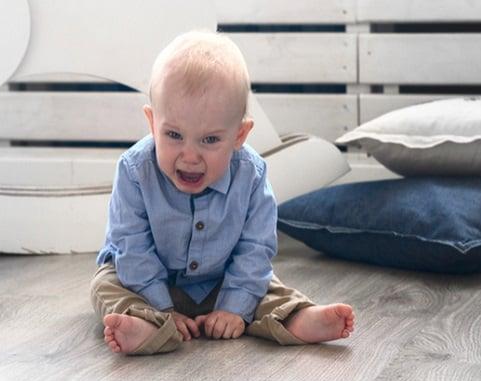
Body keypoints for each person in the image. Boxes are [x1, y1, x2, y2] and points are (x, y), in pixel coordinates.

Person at [89, 31, 355, 355]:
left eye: (210, 140)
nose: (189, 155)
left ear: (239, 134)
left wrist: (235, 306)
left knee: (265, 284)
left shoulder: (251, 175)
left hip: (222, 281)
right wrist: (162, 305)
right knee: (106, 284)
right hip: (145, 282)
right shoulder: (134, 171)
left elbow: (256, 247)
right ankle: (148, 324)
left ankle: (296, 318)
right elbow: (131, 245)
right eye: (173, 134)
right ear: (151, 122)